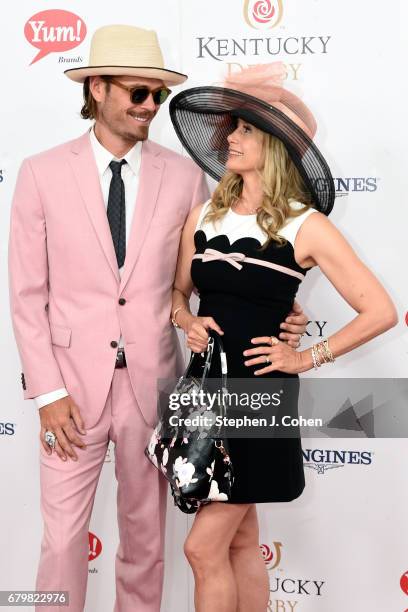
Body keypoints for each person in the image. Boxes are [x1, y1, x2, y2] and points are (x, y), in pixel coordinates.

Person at [7, 26, 307, 612]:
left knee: (146, 541)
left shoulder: (184, 175)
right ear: (96, 88)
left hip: (157, 387)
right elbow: (25, 295)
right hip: (67, 393)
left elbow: (211, 274)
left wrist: (283, 312)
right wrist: (47, 392)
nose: (149, 107)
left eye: (157, 96)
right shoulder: (40, 172)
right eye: (137, 93)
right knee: (63, 538)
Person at [168, 63, 398, 612]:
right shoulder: (203, 213)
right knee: (242, 540)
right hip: (205, 393)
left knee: (202, 550)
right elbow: (177, 294)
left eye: (245, 129)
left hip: (260, 396)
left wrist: (304, 356)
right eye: (231, 127)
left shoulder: (305, 225)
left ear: (276, 146)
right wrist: (186, 319)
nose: (230, 136)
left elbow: (381, 311)